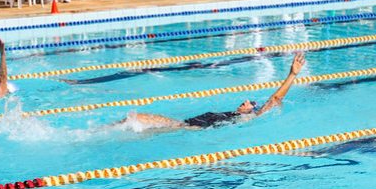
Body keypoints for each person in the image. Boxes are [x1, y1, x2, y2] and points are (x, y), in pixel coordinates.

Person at [117, 53, 305, 130]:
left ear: (253, 110)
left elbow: (275, 98)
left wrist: (292, 74)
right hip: (184, 123)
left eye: (251, 103)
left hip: (188, 129)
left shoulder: (251, 117)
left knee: (138, 123)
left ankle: (97, 134)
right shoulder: (233, 113)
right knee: (134, 117)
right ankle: (98, 131)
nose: (247, 100)